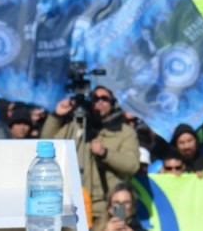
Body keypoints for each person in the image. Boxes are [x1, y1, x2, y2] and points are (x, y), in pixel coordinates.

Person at [41, 85, 140, 223]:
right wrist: (57, 116)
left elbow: (132, 165)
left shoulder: (125, 132)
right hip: (76, 203)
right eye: (95, 98)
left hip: (111, 205)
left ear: (113, 103)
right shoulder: (76, 126)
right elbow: (45, 145)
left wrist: (106, 153)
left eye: (104, 98)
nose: (99, 102)